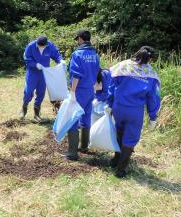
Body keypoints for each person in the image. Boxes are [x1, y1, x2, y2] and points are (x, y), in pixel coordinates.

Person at [105, 46, 161, 178]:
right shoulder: (151, 74)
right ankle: (121, 169)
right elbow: (153, 98)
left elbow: (112, 86)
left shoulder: (122, 66)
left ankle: (115, 160)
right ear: (150, 59)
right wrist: (153, 117)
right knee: (130, 139)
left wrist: (109, 103)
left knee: (118, 133)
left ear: (137, 53)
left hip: (119, 107)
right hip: (135, 111)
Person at [62, 30, 100, 161]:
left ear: (81, 39)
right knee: (86, 116)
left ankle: (72, 153)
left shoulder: (77, 54)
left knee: (72, 119)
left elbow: (76, 75)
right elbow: (97, 73)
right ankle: (84, 146)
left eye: (77, 39)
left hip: (79, 91)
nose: (77, 41)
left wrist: (72, 92)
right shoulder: (95, 54)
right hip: (90, 90)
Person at [20, 36, 64, 122]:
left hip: (44, 72)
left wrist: (60, 61)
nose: (41, 48)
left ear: (46, 44)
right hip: (32, 72)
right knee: (29, 91)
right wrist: (35, 64)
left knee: (41, 92)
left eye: (43, 46)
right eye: (39, 46)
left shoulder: (50, 46)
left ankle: (36, 114)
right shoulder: (31, 46)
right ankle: (24, 108)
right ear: (37, 43)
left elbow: (56, 55)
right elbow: (26, 58)